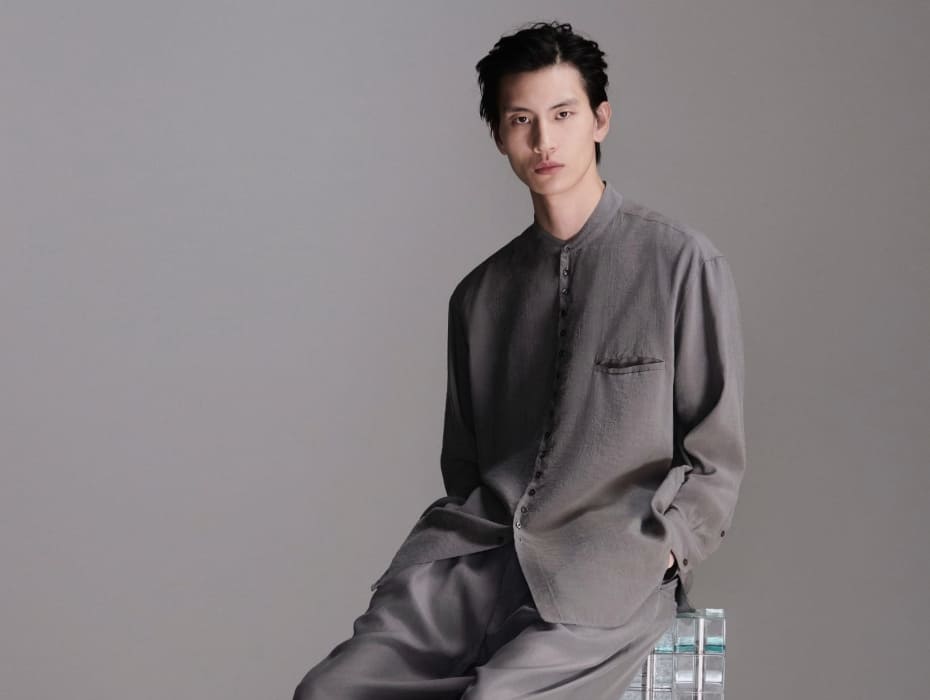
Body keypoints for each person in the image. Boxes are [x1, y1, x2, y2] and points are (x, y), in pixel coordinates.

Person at [293, 19, 746, 699]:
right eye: (521, 120)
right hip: (471, 563)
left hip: (604, 570)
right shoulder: (478, 297)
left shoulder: (680, 263)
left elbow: (715, 459)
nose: (544, 141)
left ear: (600, 120)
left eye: (563, 115)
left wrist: (665, 548)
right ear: (499, 136)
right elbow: (464, 463)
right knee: (329, 693)